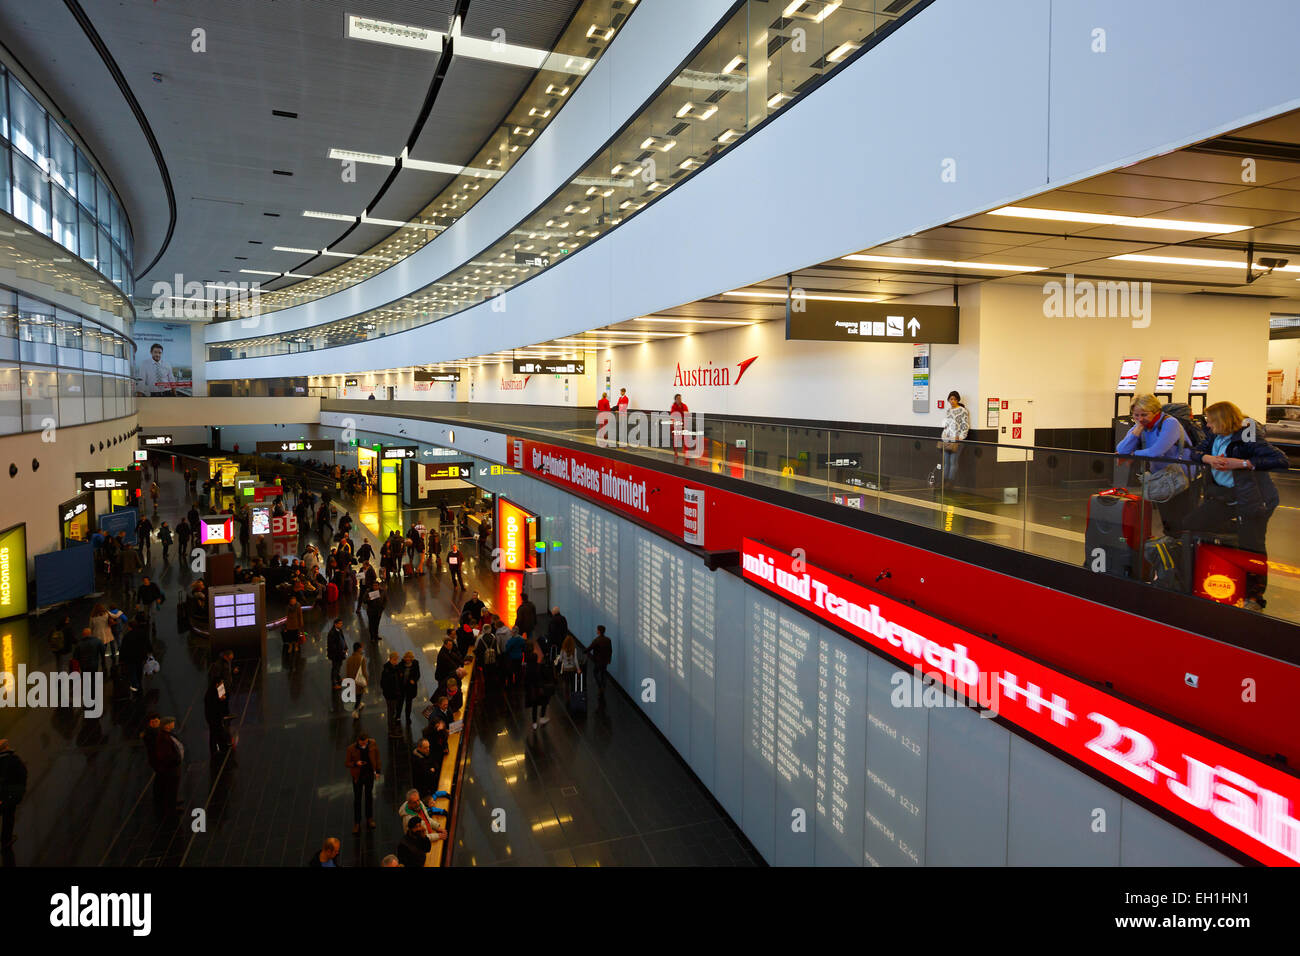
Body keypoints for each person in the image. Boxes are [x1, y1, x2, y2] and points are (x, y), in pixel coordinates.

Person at [1183, 401, 1289, 611]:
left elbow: (1280, 460)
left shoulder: (1247, 436)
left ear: (1222, 420)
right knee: (1191, 523)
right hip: (1224, 498)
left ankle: (1254, 597)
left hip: (1253, 500)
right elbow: (1193, 452)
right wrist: (1209, 458)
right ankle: (1213, 571)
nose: (1208, 425)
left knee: (1253, 546)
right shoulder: (1215, 436)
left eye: (1211, 421)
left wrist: (1241, 463)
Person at [1115, 393, 1196, 534]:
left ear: (1156, 411)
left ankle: (1184, 552)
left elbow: (1156, 451)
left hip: (1182, 477)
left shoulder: (1170, 423)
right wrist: (1137, 430)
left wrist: (1134, 455)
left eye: (1144, 415)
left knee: (1181, 522)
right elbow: (1121, 449)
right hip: (1161, 478)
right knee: (1167, 521)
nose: (1140, 419)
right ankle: (1170, 549)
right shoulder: (1141, 426)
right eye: (1136, 415)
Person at [345, 730, 381, 833]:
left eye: (365, 742)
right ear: (358, 741)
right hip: (358, 776)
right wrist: (356, 763)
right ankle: (357, 823)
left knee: (369, 796)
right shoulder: (351, 749)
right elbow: (347, 763)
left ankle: (369, 818)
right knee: (357, 799)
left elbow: (377, 757)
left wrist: (378, 771)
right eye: (362, 743)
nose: (364, 744)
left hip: (369, 774)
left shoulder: (372, 743)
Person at [937, 390, 970, 487]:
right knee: (946, 462)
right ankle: (944, 481)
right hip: (948, 439)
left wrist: (960, 436)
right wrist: (944, 435)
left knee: (953, 461)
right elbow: (946, 425)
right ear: (948, 400)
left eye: (955, 399)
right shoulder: (948, 411)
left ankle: (950, 482)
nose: (952, 401)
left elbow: (965, 424)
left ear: (958, 400)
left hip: (957, 440)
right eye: (951, 399)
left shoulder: (963, 411)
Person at [154, 717, 185, 814]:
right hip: (171, 767)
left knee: (173, 787)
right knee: (171, 787)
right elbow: (166, 754)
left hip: (173, 766)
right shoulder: (164, 738)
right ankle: (171, 808)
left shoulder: (168, 735)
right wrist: (175, 760)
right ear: (166, 726)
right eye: (171, 723)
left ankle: (173, 803)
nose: (173, 724)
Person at [0, 739, 27, 850]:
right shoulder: (14, 759)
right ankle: (6, 840)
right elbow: (23, 773)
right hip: (10, 794)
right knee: (8, 816)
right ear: (6, 748)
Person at [119, 612, 153, 696]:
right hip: (141, 656)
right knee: (139, 669)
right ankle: (139, 682)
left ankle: (135, 685)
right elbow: (147, 643)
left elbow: (123, 648)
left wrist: (121, 659)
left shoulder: (127, 636)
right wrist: (150, 651)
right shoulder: (143, 633)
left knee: (132, 671)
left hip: (130, 657)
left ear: (130, 627)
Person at [523, 640, 554, 730]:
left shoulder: (527, 669)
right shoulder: (538, 668)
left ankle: (534, 723)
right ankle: (542, 717)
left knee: (534, 706)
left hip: (531, 689)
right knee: (544, 701)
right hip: (538, 687)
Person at [380, 651, 404, 738]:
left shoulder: (395, 668)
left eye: (397, 660)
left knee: (393, 712)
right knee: (391, 713)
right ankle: (391, 731)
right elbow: (383, 684)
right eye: (394, 660)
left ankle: (393, 728)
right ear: (390, 659)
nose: (396, 661)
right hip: (390, 696)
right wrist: (392, 693)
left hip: (395, 694)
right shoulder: (387, 670)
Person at [345, 642, 368, 717]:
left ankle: (359, 704)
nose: (362, 649)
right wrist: (366, 680)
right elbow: (364, 672)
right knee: (359, 695)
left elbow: (347, 671)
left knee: (355, 695)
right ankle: (355, 711)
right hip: (359, 682)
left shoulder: (349, 659)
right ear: (359, 649)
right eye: (361, 648)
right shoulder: (362, 659)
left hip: (351, 681)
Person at [589, 625, 613, 698]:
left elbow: (590, 648)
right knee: (603, 674)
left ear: (599, 631)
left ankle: (600, 686)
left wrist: (585, 651)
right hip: (605, 661)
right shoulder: (608, 640)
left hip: (598, 661)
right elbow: (610, 651)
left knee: (595, 672)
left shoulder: (596, 640)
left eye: (597, 630)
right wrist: (609, 659)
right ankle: (603, 687)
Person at [400, 651, 421, 725]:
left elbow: (418, 675)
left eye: (409, 658)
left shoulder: (415, 663)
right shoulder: (401, 664)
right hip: (402, 688)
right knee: (400, 703)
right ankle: (398, 717)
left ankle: (407, 718)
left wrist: (414, 681)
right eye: (406, 657)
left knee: (408, 704)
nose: (408, 659)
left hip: (410, 688)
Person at [557, 633, 580, 701]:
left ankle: (567, 698)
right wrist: (578, 669)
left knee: (566, 683)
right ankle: (572, 697)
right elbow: (576, 660)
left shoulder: (563, 650)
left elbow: (560, 659)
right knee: (572, 683)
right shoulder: (574, 650)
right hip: (572, 669)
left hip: (565, 669)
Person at [326, 618, 348, 688]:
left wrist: (345, 647)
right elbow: (332, 646)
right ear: (335, 624)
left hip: (340, 653)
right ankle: (334, 683)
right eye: (339, 623)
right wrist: (341, 650)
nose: (341, 625)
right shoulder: (332, 633)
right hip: (335, 654)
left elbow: (342, 639)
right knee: (335, 668)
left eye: (341, 623)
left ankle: (338, 678)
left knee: (339, 666)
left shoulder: (339, 630)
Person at [363, 580, 386, 644]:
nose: (375, 587)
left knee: (377, 624)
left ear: (379, 586)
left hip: (379, 611)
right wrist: (368, 599)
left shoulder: (382, 591)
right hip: (371, 611)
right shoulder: (368, 591)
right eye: (374, 586)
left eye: (376, 585)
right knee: (371, 624)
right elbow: (364, 600)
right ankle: (372, 637)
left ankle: (376, 635)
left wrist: (383, 607)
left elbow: (385, 600)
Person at [283, 596, 304, 660]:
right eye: (291, 601)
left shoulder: (298, 606)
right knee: (290, 637)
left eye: (293, 601)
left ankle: (296, 646)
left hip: (296, 623)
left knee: (296, 636)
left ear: (295, 601)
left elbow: (300, 615)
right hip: (289, 624)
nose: (292, 602)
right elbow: (286, 616)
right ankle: (290, 646)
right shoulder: (288, 607)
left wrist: (301, 624)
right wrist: (286, 625)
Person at [669, 392, 689, 458]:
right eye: (678, 398)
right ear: (675, 400)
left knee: (685, 439)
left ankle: (686, 453)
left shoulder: (684, 405)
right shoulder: (673, 406)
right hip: (676, 425)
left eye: (680, 398)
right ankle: (676, 453)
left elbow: (687, 414)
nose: (679, 399)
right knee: (676, 440)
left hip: (683, 425)